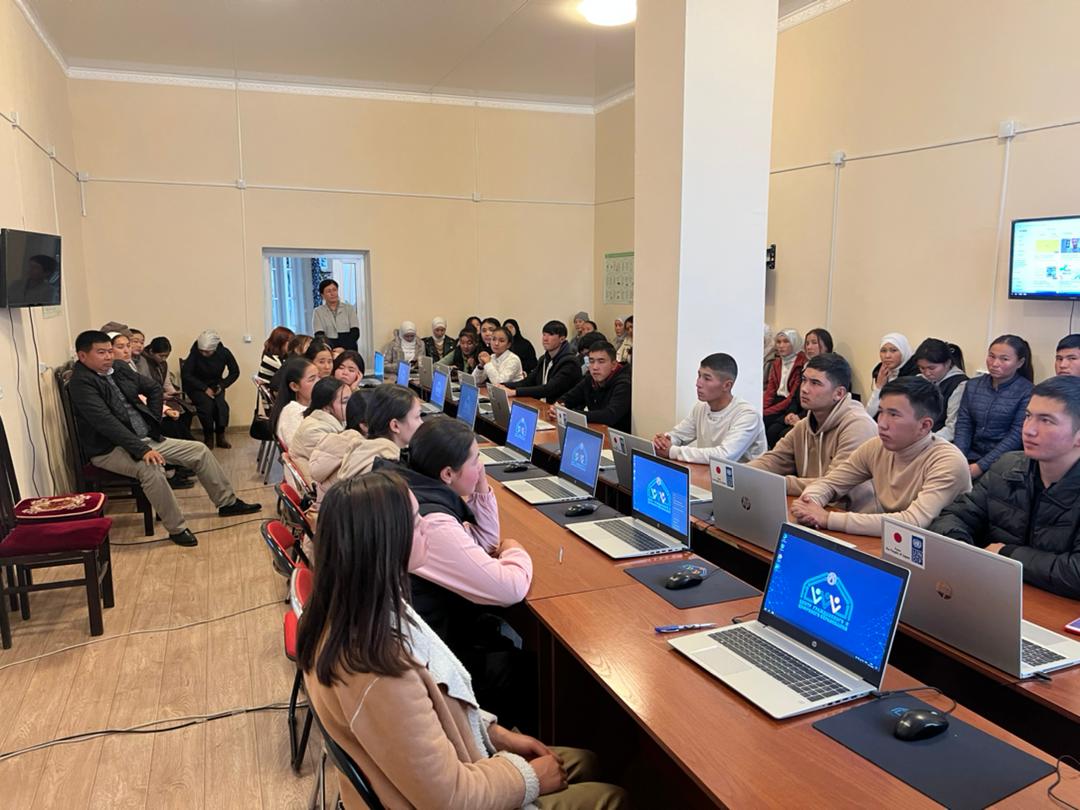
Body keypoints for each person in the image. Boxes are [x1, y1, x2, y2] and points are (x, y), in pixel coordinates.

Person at [297, 471, 627, 810]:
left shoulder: (356, 611)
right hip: (456, 794)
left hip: (455, 765)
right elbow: (450, 798)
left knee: (586, 761)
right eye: (416, 521)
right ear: (387, 542)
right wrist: (529, 778)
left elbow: (438, 707)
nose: (426, 527)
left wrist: (498, 735)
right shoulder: (378, 668)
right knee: (613, 798)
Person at [398, 418, 535, 727]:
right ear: (447, 474)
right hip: (440, 665)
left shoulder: (418, 489)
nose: (481, 466)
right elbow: (510, 588)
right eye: (475, 460)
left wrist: (480, 485)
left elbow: (485, 542)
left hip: (429, 639)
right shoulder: (433, 522)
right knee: (527, 667)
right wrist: (515, 550)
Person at [67, 330, 260, 548]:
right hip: (110, 449)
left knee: (199, 450)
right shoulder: (81, 384)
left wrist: (153, 421)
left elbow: (152, 388)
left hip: (145, 438)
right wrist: (142, 450)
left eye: (110, 351)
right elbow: (107, 424)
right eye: (101, 352)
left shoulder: (118, 368)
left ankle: (227, 503)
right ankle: (177, 528)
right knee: (151, 469)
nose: (109, 356)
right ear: (82, 356)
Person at [930, 376, 1080, 599]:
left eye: (1046, 421)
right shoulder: (1008, 466)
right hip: (994, 593)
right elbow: (954, 516)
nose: (1029, 430)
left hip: (1058, 608)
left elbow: (1075, 572)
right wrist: (962, 548)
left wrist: (1007, 554)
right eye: (1028, 416)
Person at [791, 376, 971, 536]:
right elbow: (830, 482)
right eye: (881, 411)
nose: (882, 423)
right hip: (890, 544)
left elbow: (913, 522)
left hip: (935, 553)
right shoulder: (877, 446)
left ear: (924, 425)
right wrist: (810, 502)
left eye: (893, 415)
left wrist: (828, 518)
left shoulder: (947, 461)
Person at [749, 353, 878, 509]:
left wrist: (775, 482)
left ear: (839, 393)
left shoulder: (858, 426)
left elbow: (833, 484)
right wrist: (742, 473)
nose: (804, 389)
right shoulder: (805, 425)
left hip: (850, 516)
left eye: (815, 383)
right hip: (812, 508)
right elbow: (774, 460)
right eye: (804, 380)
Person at [653, 353, 766, 464]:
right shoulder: (701, 407)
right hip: (708, 471)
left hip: (740, 475)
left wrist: (672, 451)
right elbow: (679, 435)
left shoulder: (747, 415)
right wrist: (664, 441)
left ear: (727, 385)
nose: (698, 383)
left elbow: (725, 456)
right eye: (699, 376)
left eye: (707, 379)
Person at [954, 334, 1034, 480]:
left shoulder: (1027, 391)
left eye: (1004, 359)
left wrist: (981, 466)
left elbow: (1016, 435)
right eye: (991, 356)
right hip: (970, 455)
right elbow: (964, 424)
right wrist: (959, 458)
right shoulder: (973, 385)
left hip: (1005, 461)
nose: (995, 363)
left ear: (1020, 362)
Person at [338, 384, 423, 479]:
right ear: (395, 426)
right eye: (417, 417)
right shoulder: (389, 473)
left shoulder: (363, 451)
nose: (422, 423)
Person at [181, 329, 240, 449]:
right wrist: (204, 388)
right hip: (196, 386)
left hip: (216, 385)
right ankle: (208, 437)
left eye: (207, 352)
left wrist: (222, 385)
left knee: (222, 406)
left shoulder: (224, 353)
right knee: (207, 406)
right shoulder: (195, 353)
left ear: (215, 348)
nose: (204, 354)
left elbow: (235, 372)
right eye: (202, 351)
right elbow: (186, 374)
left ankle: (220, 436)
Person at [556, 340, 632, 431]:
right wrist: (557, 407)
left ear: (614, 365)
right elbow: (567, 399)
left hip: (616, 436)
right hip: (596, 432)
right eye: (591, 361)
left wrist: (570, 414)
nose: (595, 367)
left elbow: (610, 416)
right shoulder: (589, 379)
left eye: (601, 361)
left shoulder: (624, 383)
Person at [504, 320, 582, 404]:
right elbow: (528, 382)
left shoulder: (570, 362)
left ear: (562, 339)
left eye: (550, 335)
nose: (545, 339)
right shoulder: (544, 359)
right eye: (544, 334)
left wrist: (514, 392)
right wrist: (504, 385)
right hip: (543, 405)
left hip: (561, 408)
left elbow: (549, 389)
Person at [776, 327, 834, 438]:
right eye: (807, 343)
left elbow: (823, 402)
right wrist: (791, 413)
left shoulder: (832, 368)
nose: (809, 347)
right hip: (799, 410)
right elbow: (796, 394)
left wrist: (800, 417)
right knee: (773, 429)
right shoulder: (807, 366)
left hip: (815, 415)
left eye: (814, 343)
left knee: (785, 434)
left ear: (826, 346)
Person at [289, 378, 350, 483]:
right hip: (318, 486)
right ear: (326, 407)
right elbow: (344, 464)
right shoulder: (314, 430)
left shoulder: (335, 420)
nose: (351, 405)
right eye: (345, 402)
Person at [913, 338, 968, 441]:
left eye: (932, 368)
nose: (927, 373)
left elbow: (952, 429)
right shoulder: (920, 379)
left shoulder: (959, 385)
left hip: (938, 440)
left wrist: (924, 441)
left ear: (947, 363)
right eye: (922, 368)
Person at [143, 336, 196, 441]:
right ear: (151, 351)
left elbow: (166, 383)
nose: (163, 359)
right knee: (172, 418)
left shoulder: (163, 364)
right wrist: (162, 396)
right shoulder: (143, 362)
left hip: (163, 395)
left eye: (166, 356)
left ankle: (185, 440)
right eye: (161, 356)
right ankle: (183, 441)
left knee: (186, 412)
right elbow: (145, 388)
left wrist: (174, 394)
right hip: (150, 398)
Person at [762, 329, 807, 448]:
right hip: (777, 401)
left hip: (789, 404)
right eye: (778, 342)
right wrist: (762, 407)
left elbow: (792, 396)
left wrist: (767, 411)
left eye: (786, 341)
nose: (781, 346)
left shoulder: (801, 363)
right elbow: (771, 390)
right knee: (758, 418)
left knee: (770, 427)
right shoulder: (777, 362)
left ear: (794, 343)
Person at [865, 333, 917, 418]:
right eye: (883, 351)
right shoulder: (881, 372)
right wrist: (879, 387)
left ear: (903, 351)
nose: (887, 356)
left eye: (893, 350)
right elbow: (868, 414)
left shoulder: (914, 375)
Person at [271, 357, 319, 448]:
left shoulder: (307, 407)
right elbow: (300, 449)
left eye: (319, 377)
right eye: (312, 379)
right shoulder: (293, 413)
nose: (319, 382)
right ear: (294, 386)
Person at [311, 279, 360, 351]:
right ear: (322, 295)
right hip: (329, 350)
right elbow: (319, 335)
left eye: (334, 290)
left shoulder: (349, 308)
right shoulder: (318, 312)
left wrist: (343, 348)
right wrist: (332, 349)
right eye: (328, 291)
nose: (332, 293)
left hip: (349, 349)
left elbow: (355, 332)